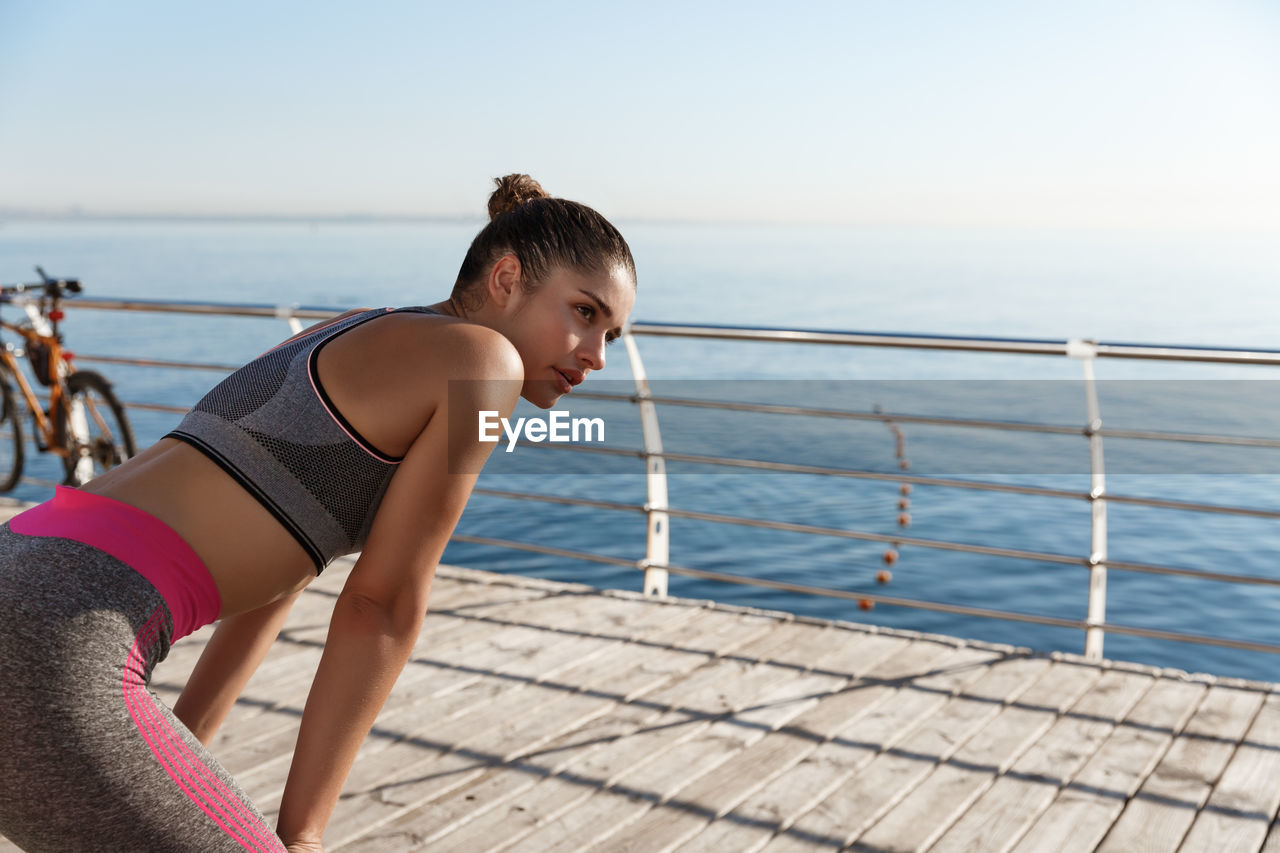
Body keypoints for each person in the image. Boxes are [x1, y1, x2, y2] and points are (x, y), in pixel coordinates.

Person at [0, 174, 637, 853]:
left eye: (614, 334)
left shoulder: (355, 330)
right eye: (585, 312)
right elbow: (382, 604)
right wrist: (302, 835)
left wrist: (183, 747)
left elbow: (282, 571)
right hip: (49, 633)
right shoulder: (485, 363)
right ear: (507, 277)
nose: (596, 355)